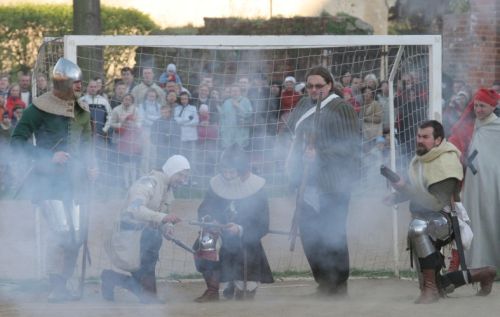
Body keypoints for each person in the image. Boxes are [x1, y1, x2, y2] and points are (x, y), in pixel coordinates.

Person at [10, 57, 97, 302]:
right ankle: (56, 286)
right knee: (63, 234)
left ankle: (62, 282)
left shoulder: (82, 111)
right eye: (75, 82)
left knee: (77, 236)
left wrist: (92, 168)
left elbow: (88, 147)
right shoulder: (38, 108)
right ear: (64, 83)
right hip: (48, 184)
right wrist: (49, 157)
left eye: (81, 81)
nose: (80, 86)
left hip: (76, 183)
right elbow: (17, 142)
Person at [385, 120, 496, 304]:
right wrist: (397, 196)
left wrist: (403, 188)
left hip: (446, 218)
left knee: (418, 228)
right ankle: (484, 273)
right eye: (419, 136)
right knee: (441, 284)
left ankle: (430, 291)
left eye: (425, 137)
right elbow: (419, 188)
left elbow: (436, 203)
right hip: (426, 215)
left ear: (437, 140)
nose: (420, 140)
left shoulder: (446, 161)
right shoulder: (421, 158)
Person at [285, 65, 360, 296]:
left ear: (330, 85)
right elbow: (291, 136)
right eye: (310, 86)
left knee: (332, 235)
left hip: (333, 184)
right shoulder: (301, 105)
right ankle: (323, 282)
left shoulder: (342, 108)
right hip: (306, 184)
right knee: (309, 234)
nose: (314, 89)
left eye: (319, 85)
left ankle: (338, 284)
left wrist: (320, 153)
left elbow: (350, 147)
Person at [101, 155, 190, 304]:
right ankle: (110, 277)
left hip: (148, 237)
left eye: (185, 176)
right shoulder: (148, 183)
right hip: (130, 237)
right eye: (180, 174)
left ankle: (121, 282)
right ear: (171, 170)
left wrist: (167, 227)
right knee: (146, 293)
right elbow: (134, 209)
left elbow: (161, 216)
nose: (182, 179)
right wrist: (163, 218)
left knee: (148, 288)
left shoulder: (168, 190)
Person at [193, 145, 273, 302]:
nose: (227, 176)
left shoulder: (257, 188)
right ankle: (212, 289)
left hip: (246, 240)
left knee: (244, 293)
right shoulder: (216, 184)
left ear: (242, 170)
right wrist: (210, 220)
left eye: (232, 172)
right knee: (205, 242)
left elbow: (262, 224)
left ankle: (239, 284)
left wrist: (240, 229)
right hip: (220, 234)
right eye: (225, 171)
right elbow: (205, 208)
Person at [449, 88, 500, 269]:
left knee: (491, 218)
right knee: (473, 219)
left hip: (493, 184)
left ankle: (493, 262)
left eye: (483, 106)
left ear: (493, 107)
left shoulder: (497, 128)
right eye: (476, 105)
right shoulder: (470, 125)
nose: (478, 109)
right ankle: (473, 262)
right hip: (472, 184)